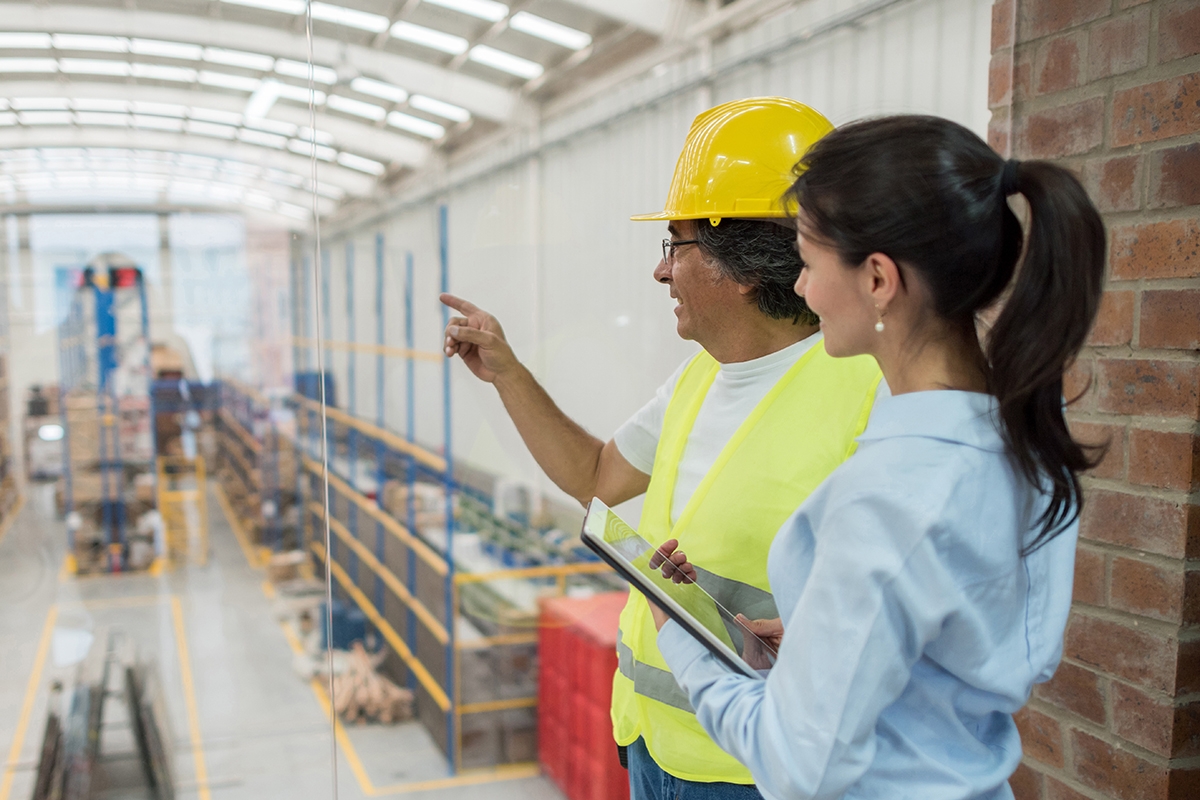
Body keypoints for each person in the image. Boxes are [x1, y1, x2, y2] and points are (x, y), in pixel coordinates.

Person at [649, 114, 1105, 799]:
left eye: (807, 262)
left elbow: (798, 764)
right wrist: (815, 643)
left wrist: (681, 637)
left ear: (879, 280)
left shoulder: (892, 492)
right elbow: (962, 646)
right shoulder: (1023, 432)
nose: (799, 288)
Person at [441, 98, 884, 799]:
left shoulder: (870, 391)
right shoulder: (697, 378)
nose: (660, 272)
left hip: (755, 769)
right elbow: (595, 475)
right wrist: (507, 371)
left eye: (674, 245)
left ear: (740, 267)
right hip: (652, 746)